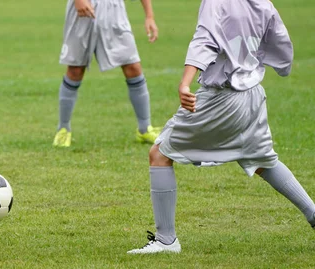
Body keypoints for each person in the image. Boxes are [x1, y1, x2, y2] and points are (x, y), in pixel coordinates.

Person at [127, 0, 315, 254]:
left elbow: (204, 40)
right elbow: (279, 41)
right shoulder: (262, 2)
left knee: (160, 154)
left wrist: (185, 83)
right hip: (253, 95)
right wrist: (276, 65)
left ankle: (166, 240)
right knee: (262, 162)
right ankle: (313, 214)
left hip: (222, 97)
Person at [53, 0, 161, 147]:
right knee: (75, 70)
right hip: (83, 8)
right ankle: (63, 129)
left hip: (114, 9)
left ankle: (144, 128)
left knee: (133, 67)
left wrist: (149, 16)